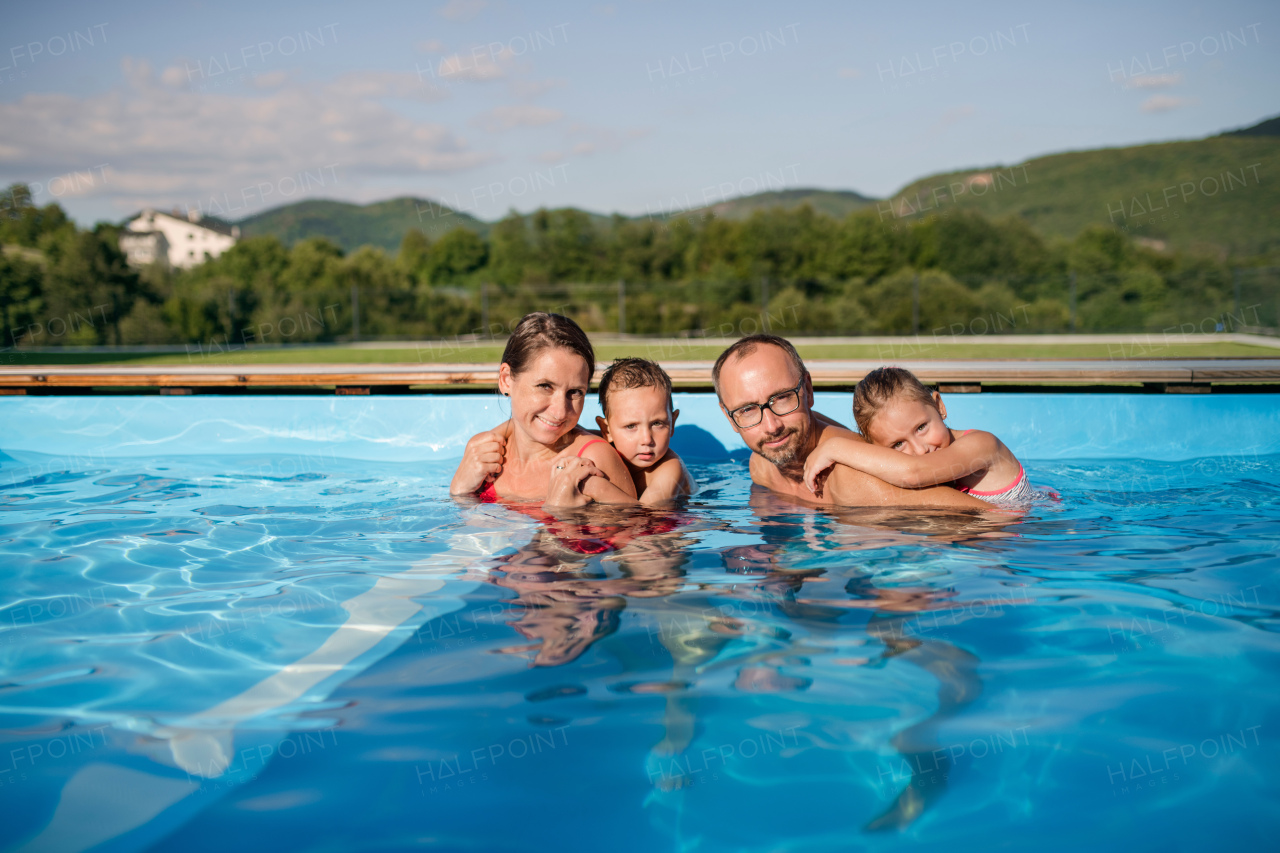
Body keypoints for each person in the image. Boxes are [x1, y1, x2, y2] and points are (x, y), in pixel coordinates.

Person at [711, 334, 991, 509]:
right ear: (729, 417)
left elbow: (993, 520)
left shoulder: (851, 479)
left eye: (782, 398)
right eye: (747, 410)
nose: (771, 427)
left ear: (808, 390)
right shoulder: (761, 464)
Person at [450, 312, 636, 505]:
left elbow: (640, 532)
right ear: (506, 380)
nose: (560, 412)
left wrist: (562, 516)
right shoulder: (482, 453)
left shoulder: (595, 459)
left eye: (575, 392)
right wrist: (459, 490)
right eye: (545, 386)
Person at [803, 366, 1033, 508]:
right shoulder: (928, 454)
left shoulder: (982, 446)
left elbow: (914, 472)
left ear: (938, 405)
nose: (920, 449)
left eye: (921, 427)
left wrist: (833, 447)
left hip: (1025, 539)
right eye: (898, 444)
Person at [594, 357, 695, 505]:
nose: (647, 439)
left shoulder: (670, 469)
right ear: (606, 430)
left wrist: (598, 489)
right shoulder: (599, 445)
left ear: (672, 423)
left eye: (657, 423)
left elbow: (645, 519)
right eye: (631, 426)